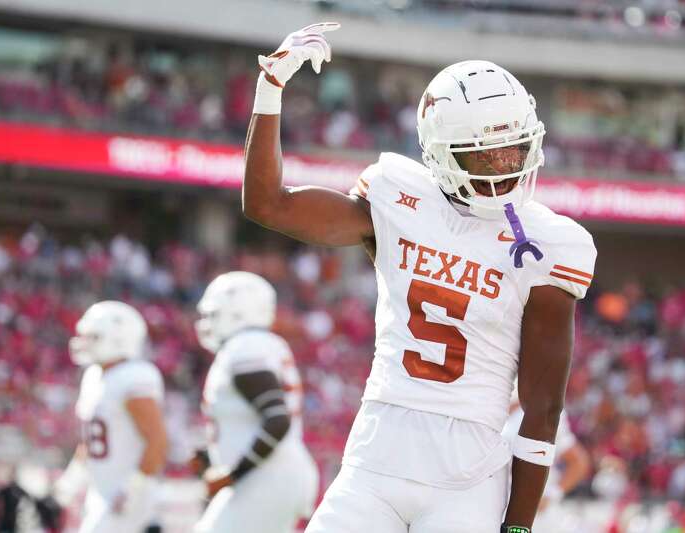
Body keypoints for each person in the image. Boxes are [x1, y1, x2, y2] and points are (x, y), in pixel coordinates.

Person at [243, 22, 597, 533]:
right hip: (375, 458)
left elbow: (543, 409)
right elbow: (267, 204)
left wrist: (518, 526)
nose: (503, 169)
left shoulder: (547, 245)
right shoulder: (399, 199)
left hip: (469, 478)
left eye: (513, 151)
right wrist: (269, 89)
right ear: (440, 152)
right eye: (485, 154)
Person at [192, 271, 319, 533]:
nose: (206, 323)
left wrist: (233, 472)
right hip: (269, 475)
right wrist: (211, 455)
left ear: (237, 313)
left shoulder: (245, 347)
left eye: (213, 315)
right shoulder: (257, 344)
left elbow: (276, 419)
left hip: (265, 477)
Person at [53, 301, 167, 533]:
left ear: (118, 339)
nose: (83, 342)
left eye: (93, 337)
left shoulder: (134, 376)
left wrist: (135, 487)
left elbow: (157, 440)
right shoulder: (94, 376)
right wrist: (72, 480)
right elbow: (92, 441)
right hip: (103, 494)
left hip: (129, 498)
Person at [502, 394, 591, 532]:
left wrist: (551, 494)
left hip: (534, 516)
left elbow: (578, 462)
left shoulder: (545, 410)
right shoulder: (488, 404)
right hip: (495, 508)